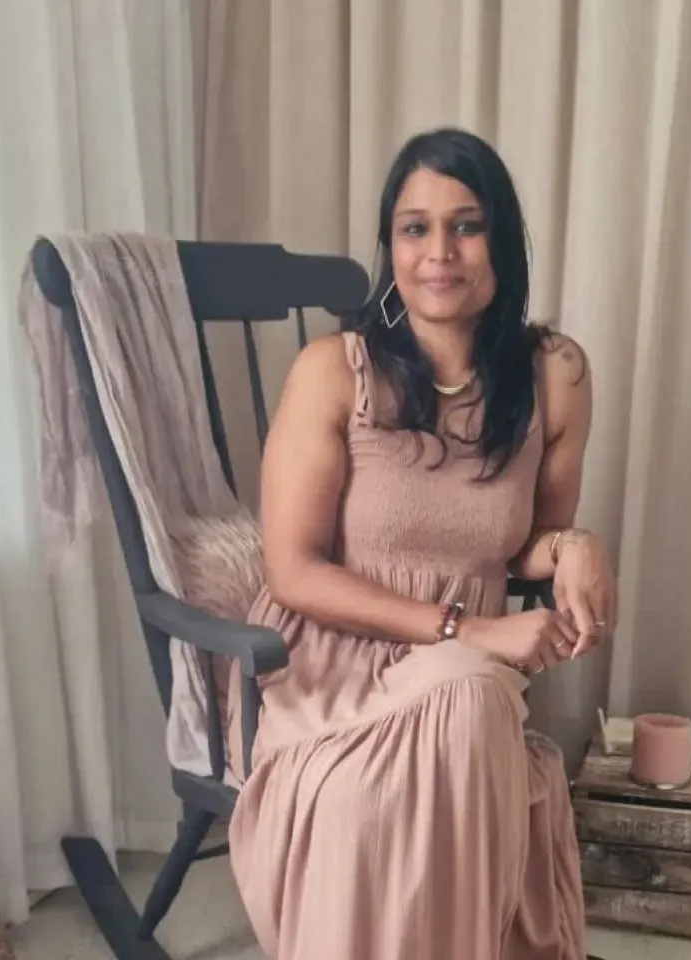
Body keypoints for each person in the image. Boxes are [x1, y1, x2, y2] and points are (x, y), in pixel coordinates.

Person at [227, 127, 616, 960]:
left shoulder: (554, 375)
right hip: (329, 665)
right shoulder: (334, 371)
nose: (439, 252)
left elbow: (525, 542)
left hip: (465, 672)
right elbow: (292, 570)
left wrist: (574, 546)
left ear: (502, 241)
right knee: (449, 713)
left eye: (466, 226)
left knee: (467, 698)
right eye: (415, 228)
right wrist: (468, 630)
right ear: (391, 246)